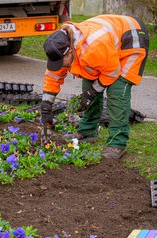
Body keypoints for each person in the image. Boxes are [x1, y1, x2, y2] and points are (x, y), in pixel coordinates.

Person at [40, 14, 149, 159]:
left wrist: (91, 94)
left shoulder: (92, 48)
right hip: (107, 46)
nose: (62, 65)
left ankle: (117, 143)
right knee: (88, 83)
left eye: (62, 61)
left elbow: (112, 72)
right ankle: (88, 131)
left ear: (70, 51)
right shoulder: (61, 45)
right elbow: (53, 76)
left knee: (117, 89)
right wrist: (46, 106)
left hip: (131, 39)